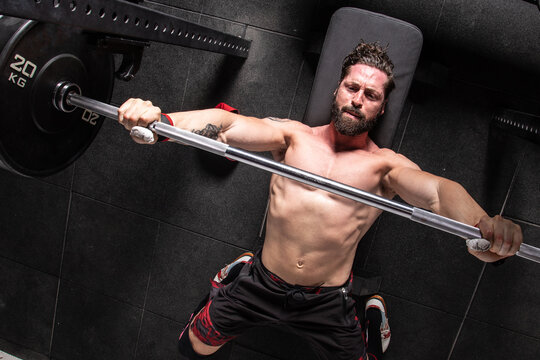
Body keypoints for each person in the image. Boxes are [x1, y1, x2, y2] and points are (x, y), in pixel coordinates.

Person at [117, 42, 523, 360]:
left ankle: (369, 314)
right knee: (192, 347)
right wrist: (163, 122)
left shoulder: (385, 168)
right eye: (352, 87)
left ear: (380, 108)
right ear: (338, 88)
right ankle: (230, 279)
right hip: (261, 281)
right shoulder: (292, 137)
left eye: (371, 94)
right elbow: (226, 126)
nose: (358, 98)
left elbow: (438, 192)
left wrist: (484, 227)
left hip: (327, 301)